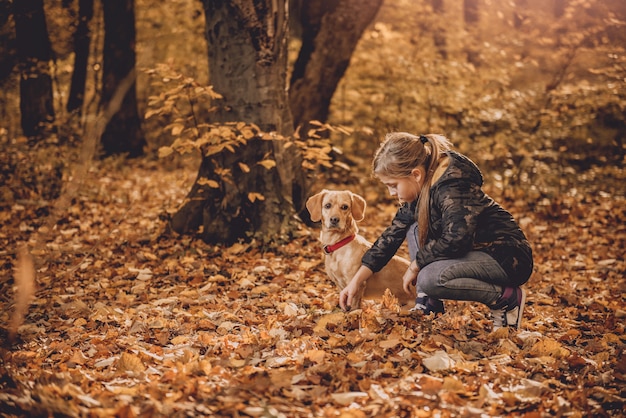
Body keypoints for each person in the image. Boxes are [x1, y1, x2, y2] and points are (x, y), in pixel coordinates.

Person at [339, 132, 533, 330]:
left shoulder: (454, 185)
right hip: (475, 252)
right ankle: (429, 303)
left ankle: (507, 298)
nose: (391, 193)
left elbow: (457, 238)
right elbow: (389, 238)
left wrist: (417, 264)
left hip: (506, 257)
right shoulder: (420, 190)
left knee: (430, 277)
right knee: (413, 227)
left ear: (415, 174)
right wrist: (355, 282)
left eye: (393, 185)